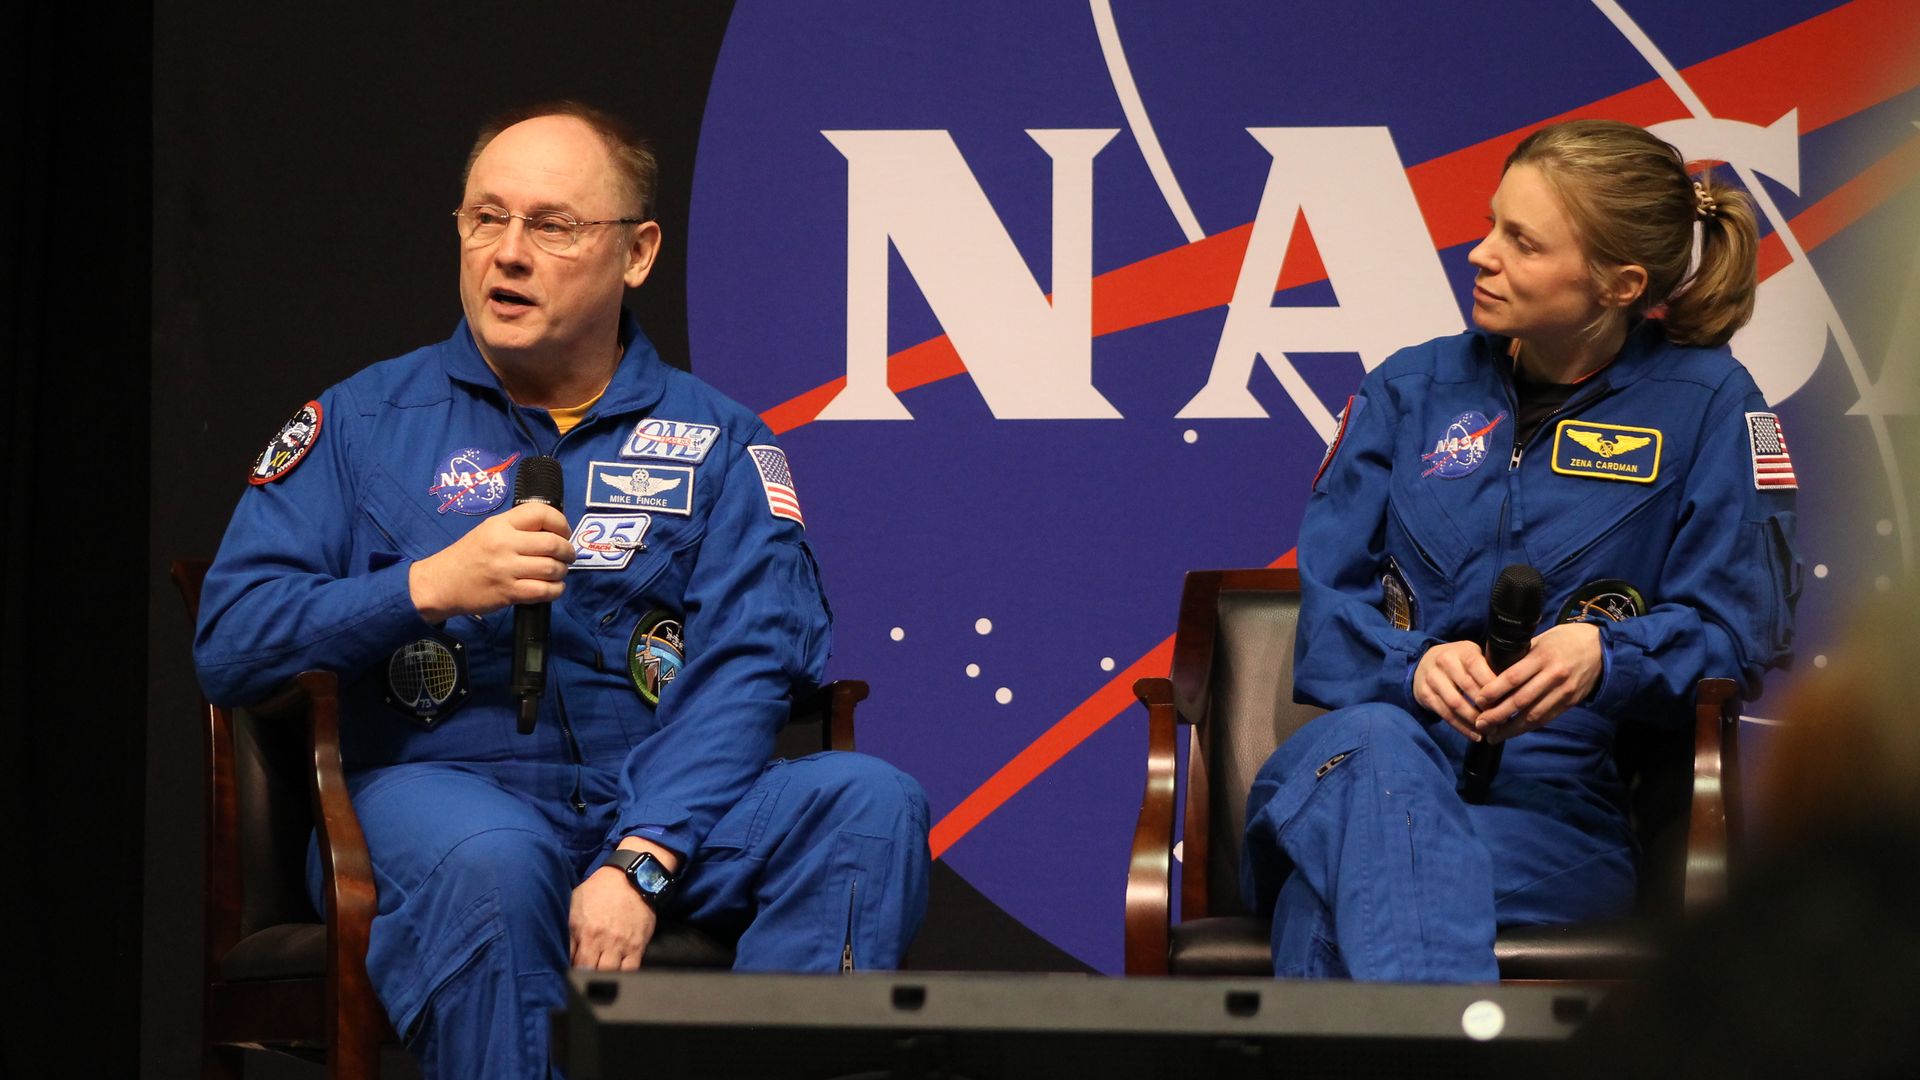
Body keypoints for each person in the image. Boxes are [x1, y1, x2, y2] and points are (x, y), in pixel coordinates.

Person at [194, 101, 931, 1077]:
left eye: (552, 225)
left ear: (637, 252)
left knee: (866, 799)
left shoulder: (722, 443)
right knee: (501, 863)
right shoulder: (362, 422)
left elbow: (753, 662)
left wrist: (643, 853)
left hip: (658, 803)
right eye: (484, 218)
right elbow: (231, 640)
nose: (506, 252)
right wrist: (423, 586)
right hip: (439, 800)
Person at [1239, 119, 1800, 982]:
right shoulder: (1408, 389)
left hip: (1549, 811)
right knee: (1379, 751)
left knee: (1330, 907)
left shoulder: (1710, 405)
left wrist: (1606, 653)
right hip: (1352, 763)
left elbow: (1736, 634)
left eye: (1522, 241)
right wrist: (1412, 667)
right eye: (1491, 223)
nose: (1480, 253)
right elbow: (1328, 619)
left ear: (1620, 283)